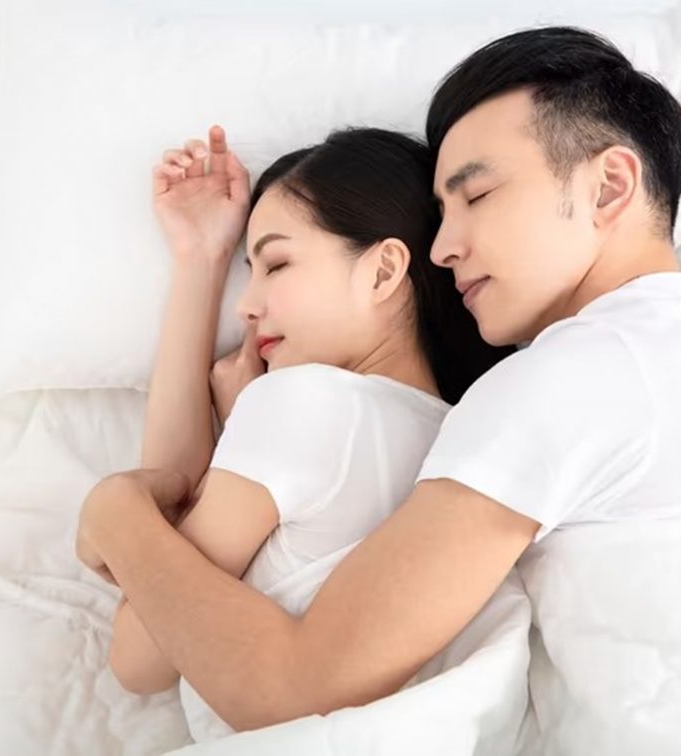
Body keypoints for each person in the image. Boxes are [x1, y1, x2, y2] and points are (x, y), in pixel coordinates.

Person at [76, 26, 681, 741]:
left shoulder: (572, 375)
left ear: (609, 187)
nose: (443, 247)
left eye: (478, 195)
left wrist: (115, 510)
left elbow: (291, 685)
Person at [101, 124, 512, 741]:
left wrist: (112, 511)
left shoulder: (301, 402)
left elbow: (140, 657)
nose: (246, 305)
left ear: (382, 271)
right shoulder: (465, 433)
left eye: (276, 264)